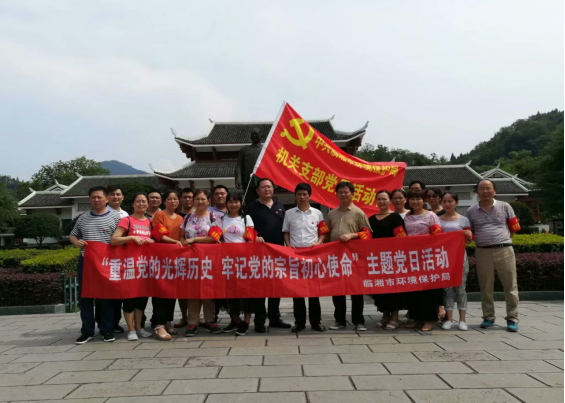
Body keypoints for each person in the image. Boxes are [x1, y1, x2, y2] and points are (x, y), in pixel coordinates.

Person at [466, 180, 521, 333]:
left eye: (488, 188)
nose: (485, 191)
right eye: (482, 189)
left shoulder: (505, 206)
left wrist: (503, 240)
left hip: (505, 250)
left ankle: (512, 317)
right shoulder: (471, 211)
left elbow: (514, 227)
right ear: (477, 192)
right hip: (482, 251)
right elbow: (470, 232)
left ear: (494, 191)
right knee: (485, 286)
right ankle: (488, 317)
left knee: (510, 286)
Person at [70, 186, 121, 344]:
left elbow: (121, 238)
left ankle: (107, 330)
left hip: (107, 262)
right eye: (93, 197)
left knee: (106, 296)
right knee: (85, 296)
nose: (97, 200)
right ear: (89, 200)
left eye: (100, 197)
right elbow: (73, 235)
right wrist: (76, 242)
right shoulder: (83, 218)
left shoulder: (116, 218)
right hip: (86, 262)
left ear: (107, 199)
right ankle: (87, 331)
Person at [325, 182, 372, 331]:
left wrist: (352, 235)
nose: (343, 195)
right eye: (340, 192)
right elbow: (327, 233)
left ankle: (359, 320)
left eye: (346, 192)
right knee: (337, 289)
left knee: (356, 289)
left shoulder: (359, 213)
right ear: (336, 194)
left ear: (352, 194)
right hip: (336, 257)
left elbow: (368, 234)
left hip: (353, 257)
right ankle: (339, 320)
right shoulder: (331, 213)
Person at [246, 178, 291, 330]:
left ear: (273, 189)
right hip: (259, 253)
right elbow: (247, 229)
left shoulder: (280, 206)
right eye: (263, 187)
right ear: (257, 191)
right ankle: (259, 320)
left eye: (269, 186)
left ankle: (274, 318)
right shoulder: (251, 208)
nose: (267, 189)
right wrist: (255, 236)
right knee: (260, 287)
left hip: (277, 252)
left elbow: (285, 228)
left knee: (276, 286)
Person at [110, 193, 155, 341]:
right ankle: (131, 330)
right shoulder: (126, 220)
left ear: (147, 205)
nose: (141, 204)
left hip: (144, 267)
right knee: (129, 300)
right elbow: (114, 240)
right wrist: (131, 238)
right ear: (133, 204)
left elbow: (156, 241)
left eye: (144, 201)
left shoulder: (150, 222)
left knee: (141, 300)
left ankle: (139, 327)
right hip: (129, 267)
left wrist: (152, 241)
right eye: (138, 201)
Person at [283, 183, 327, 333]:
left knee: (314, 292)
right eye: (299, 194)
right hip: (295, 256)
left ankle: (316, 323)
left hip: (312, 256)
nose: (302, 197)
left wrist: (318, 244)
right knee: (297, 292)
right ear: (295, 196)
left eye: (305, 194)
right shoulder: (289, 213)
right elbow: (286, 232)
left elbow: (323, 233)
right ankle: (299, 323)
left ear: (309, 196)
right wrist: (288, 244)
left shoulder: (317, 213)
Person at [179, 189, 224, 337]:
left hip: (208, 260)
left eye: (203, 199)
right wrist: (184, 243)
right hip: (191, 260)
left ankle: (210, 321)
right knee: (192, 292)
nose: (200, 202)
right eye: (197, 199)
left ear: (208, 201)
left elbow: (214, 237)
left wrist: (194, 239)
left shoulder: (214, 217)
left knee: (208, 291)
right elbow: (182, 237)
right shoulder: (187, 218)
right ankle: (192, 322)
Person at [404, 189, 443, 332]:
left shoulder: (431, 215)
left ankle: (430, 319)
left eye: (418, 199)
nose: (415, 202)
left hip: (427, 257)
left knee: (428, 289)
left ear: (424, 200)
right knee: (414, 288)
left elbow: (437, 236)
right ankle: (416, 317)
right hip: (411, 258)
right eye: (412, 199)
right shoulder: (407, 216)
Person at [369, 190, 408, 331]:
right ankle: (385, 315)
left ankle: (395, 318)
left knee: (393, 289)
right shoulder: (371, 219)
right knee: (380, 289)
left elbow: (402, 239)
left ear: (390, 201)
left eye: (384, 199)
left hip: (392, 260)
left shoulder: (395, 217)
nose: (381, 201)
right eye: (379, 199)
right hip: (377, 260)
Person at [220, 192, 258, 336]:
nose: (233, 204)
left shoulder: (246, 218)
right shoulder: (221, 219)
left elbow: (250, 239)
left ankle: (246, 323)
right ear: (226, 203)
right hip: (227, 262)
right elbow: (216, 237)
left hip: (244, 262)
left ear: (241, 203)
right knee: (230, 293)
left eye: (236, 201)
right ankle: (235, 320)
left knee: (246, 293)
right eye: (230, 201)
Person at [151, 190, 184, 341]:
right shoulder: (160, 215)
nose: (173, 201)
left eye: (175, 198)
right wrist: (174, 242)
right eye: (169, 199)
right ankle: (159, 324)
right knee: (160, 290)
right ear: (164, 201)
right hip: (161, 257)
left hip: (175, 259)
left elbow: (182, 236)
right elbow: (160, 234)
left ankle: (168, 321)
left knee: (172, 291)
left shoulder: (180, 218)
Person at [440, 192, 474, 331]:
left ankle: (462, 320)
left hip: (460, 257)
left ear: (456, 202)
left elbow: (469, 241)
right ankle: (449, 319)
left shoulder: (464, 220)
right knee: (447, 289)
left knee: (460, 288)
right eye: (445, 201)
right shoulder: (437, 220)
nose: (447, 204)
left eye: (450, 201)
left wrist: (469, 235)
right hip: (444, 258)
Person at [105, 185, 129, 333]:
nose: (115, 197)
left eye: (118, 194)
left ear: (122, 197)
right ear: (107, 197)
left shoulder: (125, 214)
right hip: (107, 256)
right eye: (112, 194)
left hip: (122, 257)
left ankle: (115, 322)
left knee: (119, 291)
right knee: (107, 292)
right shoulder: (103, 212)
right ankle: (105, 323)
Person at [175, 188, 195, 330]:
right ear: (180, 199)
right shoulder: (176, 216)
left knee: (197, 287)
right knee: (181, 289)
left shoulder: (200, 215)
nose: (187, 200)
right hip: (180, 257)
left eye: (190, 197)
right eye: (184, 197)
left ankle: (195, 316)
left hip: (199, 257)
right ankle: (184, 316)